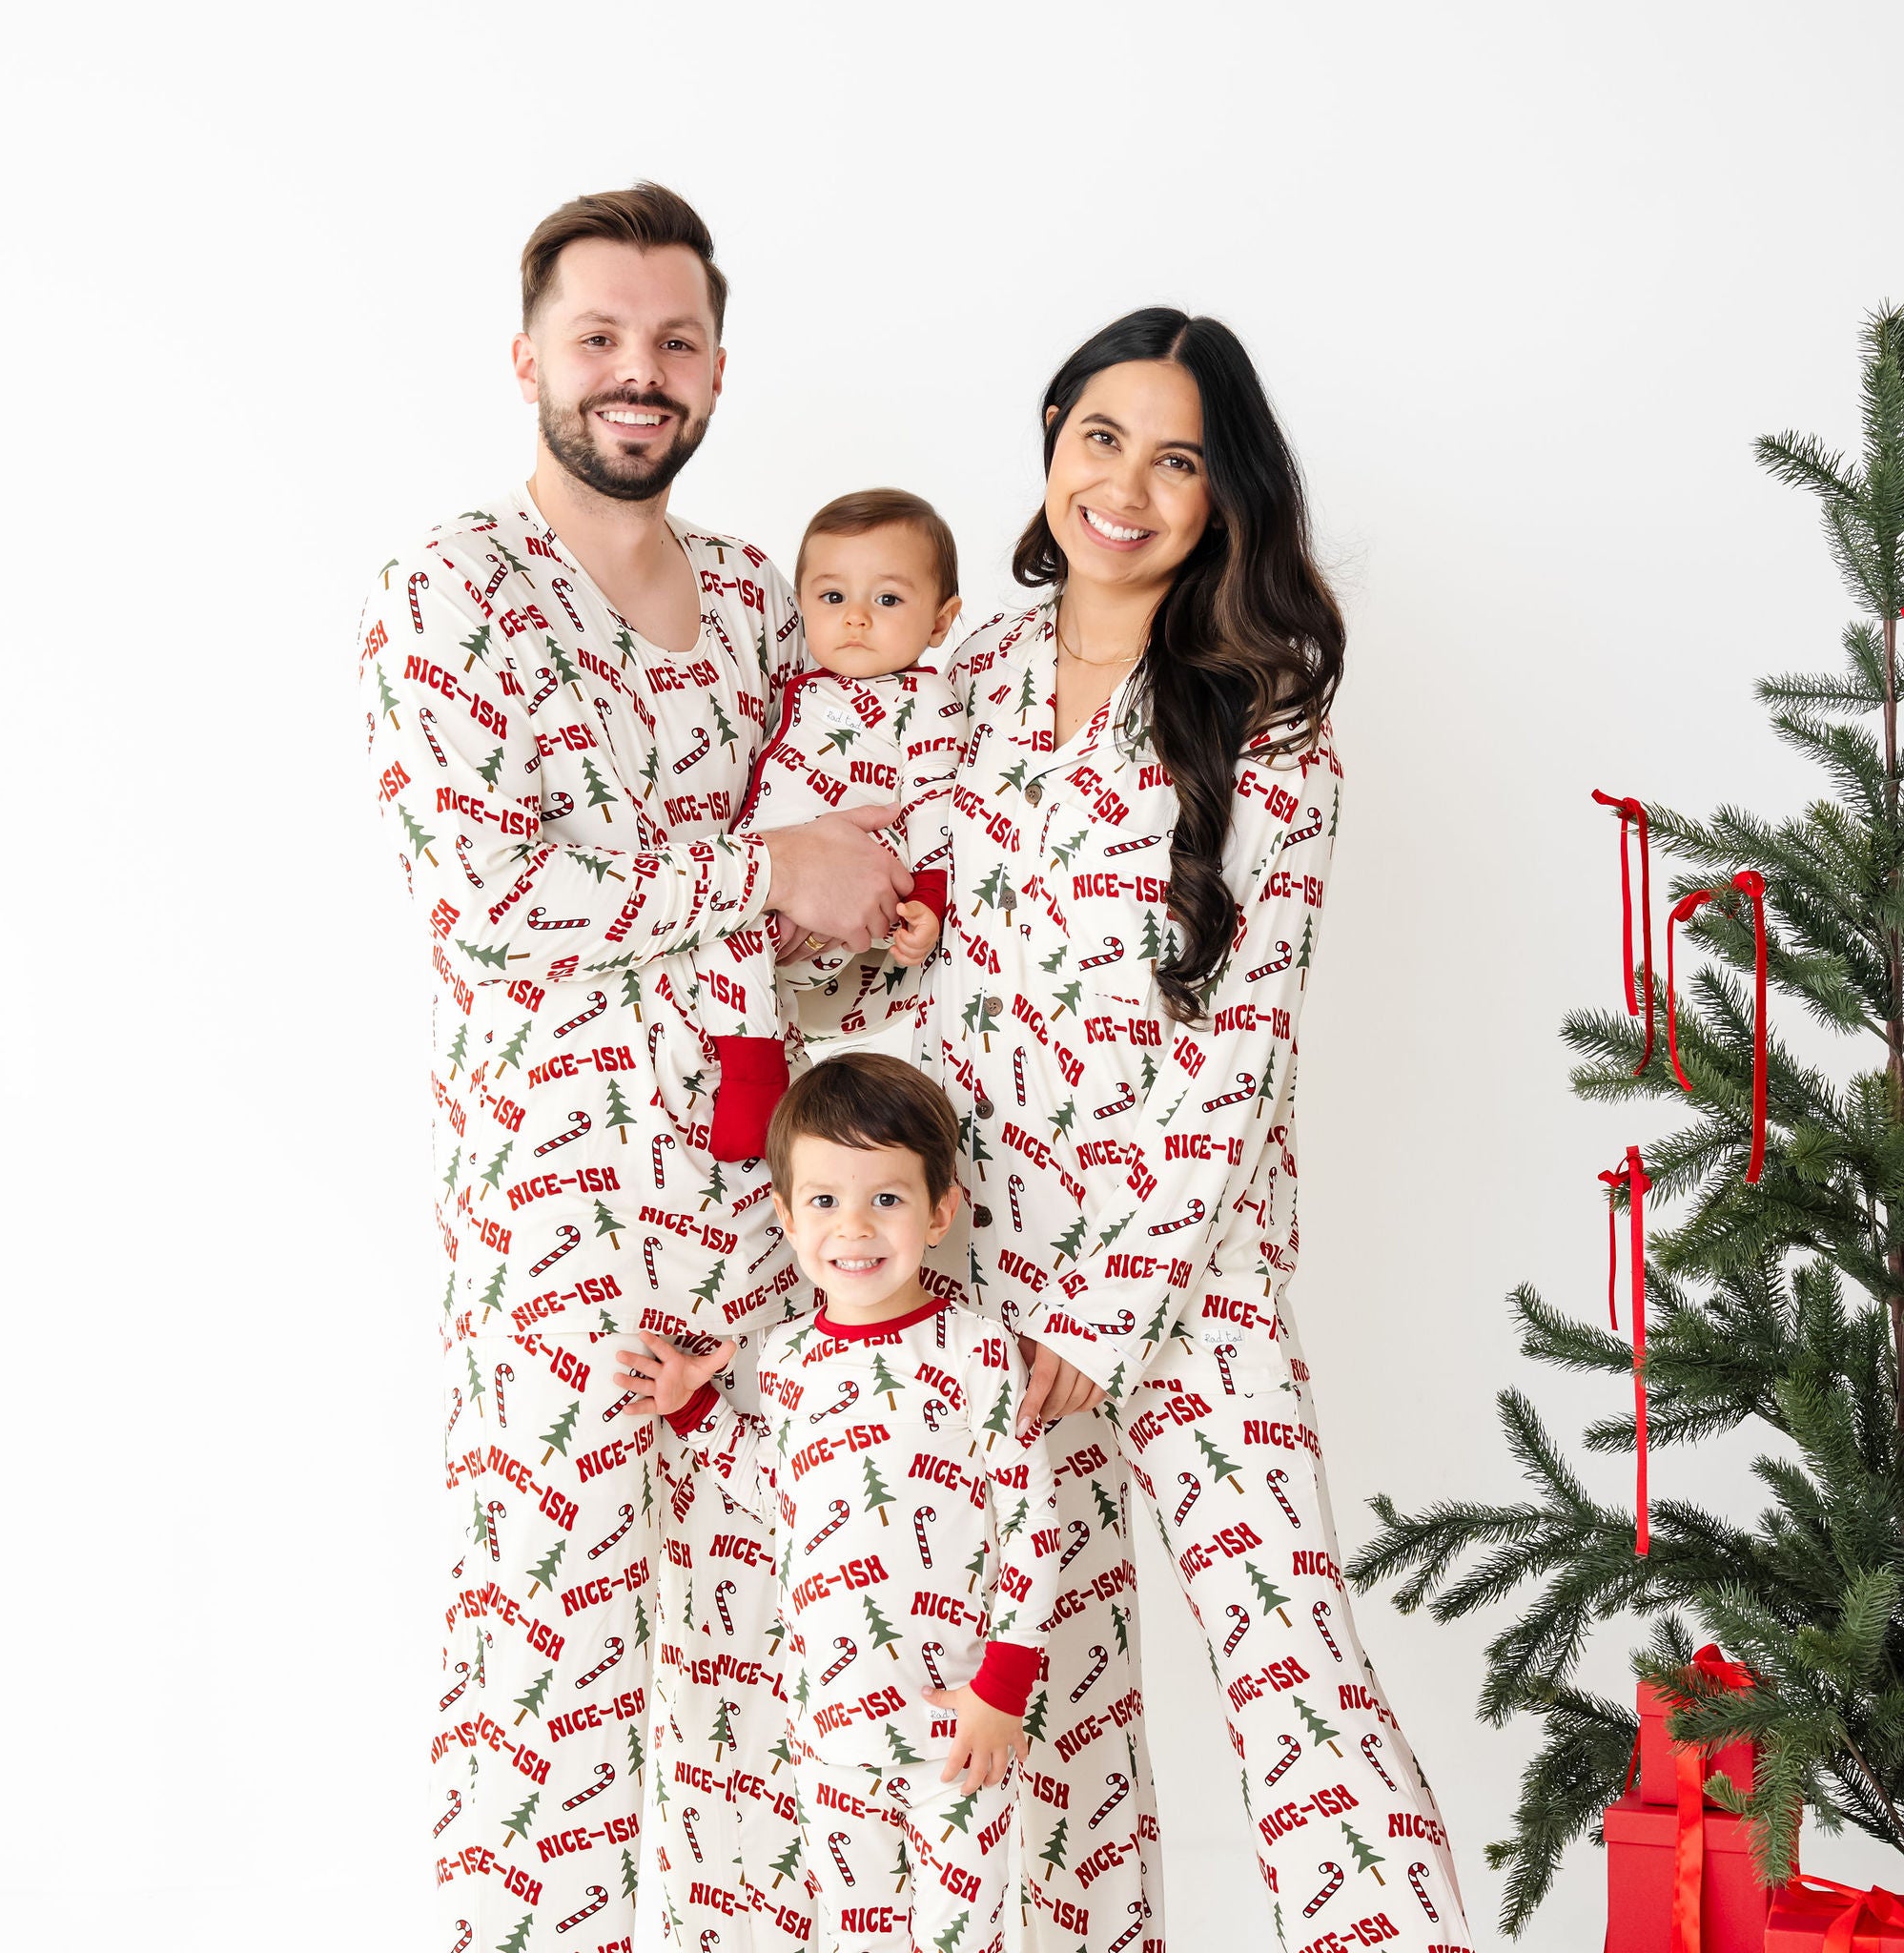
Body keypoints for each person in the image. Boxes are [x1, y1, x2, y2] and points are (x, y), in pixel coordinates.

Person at [358, 182, 915, 1953]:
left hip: (776, 1231)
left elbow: (820, 902)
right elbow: (493, 889)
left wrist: (866, 921)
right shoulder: (451, 592)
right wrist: (769, 873)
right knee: (547, 1697)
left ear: (719, 373)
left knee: (772, 1692)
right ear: (528, 356)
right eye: (599, 335)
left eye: (672, 340)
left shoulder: (767, 603)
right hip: (561, 1238)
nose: (636, 371)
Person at [911, 309, 1478, 1948]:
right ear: (1047, 435)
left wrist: (1105, 1311)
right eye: (1103, 437)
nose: (1129, 486)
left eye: (1177, 459)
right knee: (1051, 1692)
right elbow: (918, 934)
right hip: (977, 1266)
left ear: (1222, 498)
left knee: (1287, 1663)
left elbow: (1236, 1055)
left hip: (1178, 1282)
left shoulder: (1267, 723)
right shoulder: (973, 671)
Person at [614, 1052, 1058, 1953]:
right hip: (830, 1729)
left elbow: (1033, 1525)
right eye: (823, 1201)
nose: (853, 1226)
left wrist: (1002, 1689)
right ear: (784, 1216)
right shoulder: (782, 1364)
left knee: (962, 1939)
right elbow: (776, 1492)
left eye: (885, 1199)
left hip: (958, 1723)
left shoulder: (976, 1353)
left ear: (940, 1212)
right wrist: (695, 1407)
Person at [695, 490, 966, 1162]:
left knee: (739, 934)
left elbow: (936, 801)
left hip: (855, 888)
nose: (856, 620)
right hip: (765, 882)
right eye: (833, 597)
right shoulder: (803, 684)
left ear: (941, 620)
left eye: (889, 600)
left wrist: (928, 899)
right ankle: (759, 1077)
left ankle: (759, 1085)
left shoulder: (925, 700)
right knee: (722, 929)